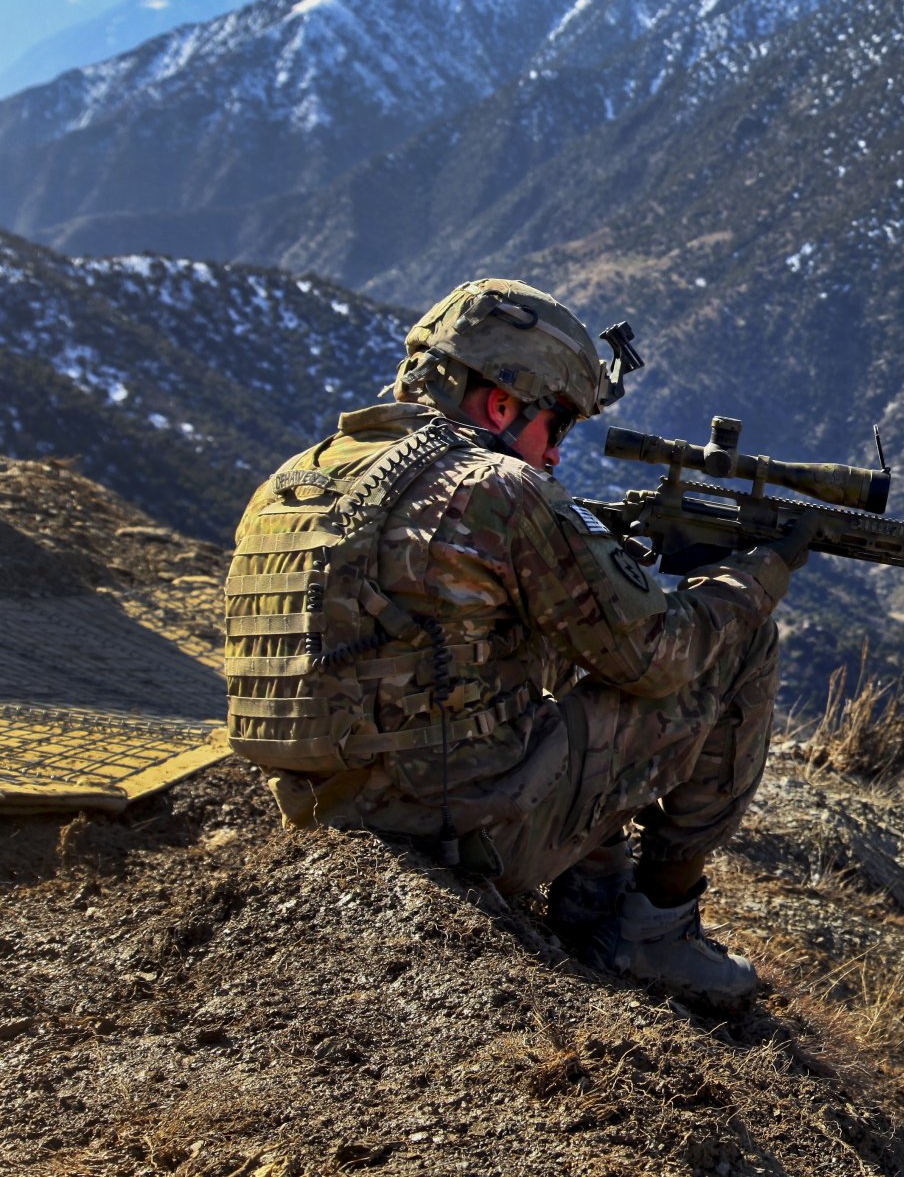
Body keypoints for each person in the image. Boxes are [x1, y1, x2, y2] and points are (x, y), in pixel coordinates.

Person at [222, 278, 812, 1013]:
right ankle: (658, 928)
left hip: (327, 817)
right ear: (502, 405)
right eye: (556, 426)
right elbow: (658, 656)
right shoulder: (497, 488)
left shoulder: (292, 481)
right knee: (740, 640)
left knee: (535, 655)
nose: (556, 455)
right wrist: (757, 575)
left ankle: (594, 886)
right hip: (464, 837)